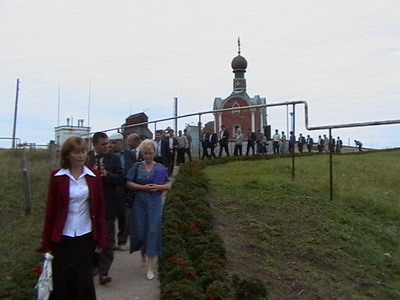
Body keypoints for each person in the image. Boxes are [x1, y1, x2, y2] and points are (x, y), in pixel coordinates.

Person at [40, 136, 107, 299]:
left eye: (83, 152)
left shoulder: (93, 176)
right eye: (76, 152)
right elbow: (51, 211)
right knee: (63, 281)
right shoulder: (57, 177)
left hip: (85, 236)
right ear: (68, 155)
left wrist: (101, 239)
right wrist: (46, 243)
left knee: (84, 282)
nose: (81, 156)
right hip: (63, 238)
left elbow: (99, 209)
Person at [126, 139, 171, 280]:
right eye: (145, 153)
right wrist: (142, 187)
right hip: (139, 202)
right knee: (140, 231)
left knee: (153, 231)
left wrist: (159, 187)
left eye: (150, 153)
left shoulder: (160, 167)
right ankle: (142, 252)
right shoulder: (137, 166)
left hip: (155, 202)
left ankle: (151, 265)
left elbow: (168, 184)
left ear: (155, 153)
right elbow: (128, 182)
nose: (148, 155)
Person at [86, 132, 124, 285]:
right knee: (91, 238)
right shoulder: (86, 158)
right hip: (88, 207)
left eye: (108, 143)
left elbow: (121, 179)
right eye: (103, 144)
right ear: (94, 144)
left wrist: (107, 174)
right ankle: (93, 265)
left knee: (108, 239)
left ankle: (104, 271)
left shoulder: (113, 159)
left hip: (108, 206)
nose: (107, 146)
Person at [109, 132, 136, 252]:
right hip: (113, 187)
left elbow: (134, 168)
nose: (113, 145)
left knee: (125, 216)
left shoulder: (130, 155)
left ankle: (122, 241)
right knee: (111, 216)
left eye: (115, 143)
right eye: (111, 143)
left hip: (127, 187)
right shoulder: (108, 156)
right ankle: (111, 241)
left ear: (121, 142)